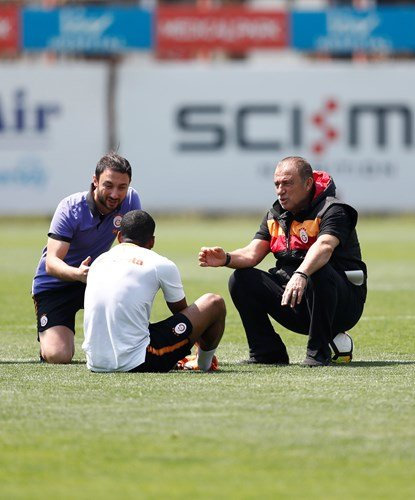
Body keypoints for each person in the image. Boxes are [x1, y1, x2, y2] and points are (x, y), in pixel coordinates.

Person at [199, 156, 367, 366]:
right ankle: (267, 352)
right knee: (241, 279)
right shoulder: (275, 215)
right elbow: (252, 254)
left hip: (341, 306)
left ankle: (318, 353)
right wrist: (226, 258)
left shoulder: (333, 210)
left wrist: (301, 274)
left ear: (308, 184)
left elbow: (324, 247)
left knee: (318, 269)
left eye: (287, 183)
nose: (280, 190)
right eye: (277, 184)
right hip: (296, 298)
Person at [82, 210, 225, 373]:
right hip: (137, 362)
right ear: (152, 242)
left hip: (95, 362)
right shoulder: (160, 263)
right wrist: (200, 341)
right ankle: (204, 363)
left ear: (119, 237)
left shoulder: (99, 260)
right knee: (214, 302)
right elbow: (180, 312)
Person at [32, 152, 141, 364]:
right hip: (55, 285)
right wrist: (78, 274)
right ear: (95, 181)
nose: (115, 194)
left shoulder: (131, 200)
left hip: (96, 280)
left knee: (133, 284)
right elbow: (51, 263)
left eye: (122, 187)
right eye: (108, 185)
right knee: (58, 356)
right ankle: (48, 341)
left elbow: (134, 247)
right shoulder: (69, 208)